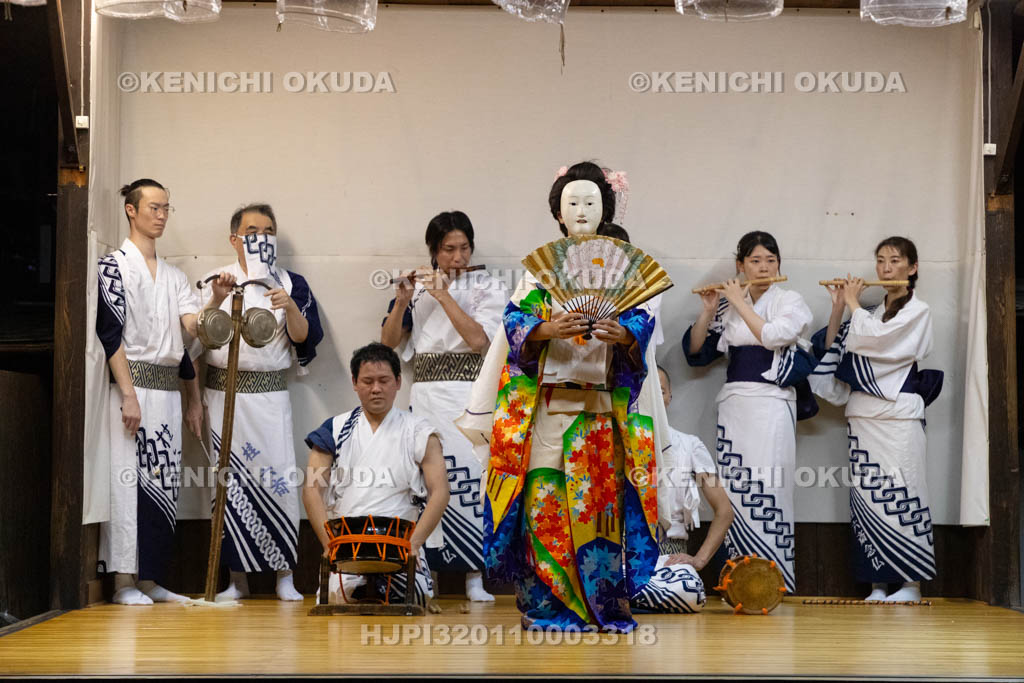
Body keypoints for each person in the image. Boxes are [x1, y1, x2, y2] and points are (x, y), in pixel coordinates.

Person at [458, 161, 669, 632]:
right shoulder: (538, 274)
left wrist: (626, 334)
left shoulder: (625, 270)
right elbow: (513, 324)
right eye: (571, 202)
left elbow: (644, 331)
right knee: (544, 503)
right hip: (549, 408)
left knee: (599, 513)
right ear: (557, 211)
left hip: (599, 413)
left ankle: (599, 606)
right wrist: (546, 328)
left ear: (605, 209)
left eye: (591, 202)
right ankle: (546, 606)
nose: (581, 210)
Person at [95, 178, 215, 605]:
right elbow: (110, 335)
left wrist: (215, 302)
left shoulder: (176, 277)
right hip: (132, 387)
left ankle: (151, 578)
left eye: (166, 208)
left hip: (165, 391)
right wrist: (127, 393)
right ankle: (123, 579)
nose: (161, 215)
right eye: (153, 207)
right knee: (127, 481)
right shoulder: (112, 267)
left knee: (163, 483)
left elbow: (190, 334)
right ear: (131, 210)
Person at [197, 203, 323, 602]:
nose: (261, 238)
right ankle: (236, 579)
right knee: (228, 486)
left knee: (280, 479)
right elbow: (196, 341)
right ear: (234, 238)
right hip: (223, 394)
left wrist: (288, 307)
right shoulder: (215, 280)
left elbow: (306, 338)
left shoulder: (292, 283)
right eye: (252, 230)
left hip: (270, 397)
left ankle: (286, 574)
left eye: (268, 231)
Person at [380, 211, 508, 602]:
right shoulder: (418, 288)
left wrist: (442, 294)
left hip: (469, 394)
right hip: (427, 394)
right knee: (426, 482)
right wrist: (402, 302)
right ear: (434, 252)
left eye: (464, 248)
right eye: (448, 249)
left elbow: (480, 343)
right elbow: (387, 346)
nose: (458, 257)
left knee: (470, 480)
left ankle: (473, 577)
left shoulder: (488, 285)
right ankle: (426, 575)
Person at [809, 237, 940, 603]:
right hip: (864, 416)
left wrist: (853, 304)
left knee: (905, 492)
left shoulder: (918, 311)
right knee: (868, 499)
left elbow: (879, 342)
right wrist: (839, 306)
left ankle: (911, 583)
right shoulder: (867, 311)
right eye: (880, 261)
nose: (886, 268)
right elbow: (835, 349)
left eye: (895, 261)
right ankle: (877, 583)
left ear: (912, 268)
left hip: (898, 416)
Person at [682, 231, 812, 594]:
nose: (764, 267)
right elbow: (696, 353)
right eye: (755, 261)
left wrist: (739, 302)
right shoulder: (726, 304)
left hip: (772, 403)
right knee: (735, 491)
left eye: (771, 260)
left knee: (771, 486)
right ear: (740, 265)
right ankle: (736, 580)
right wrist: (709, 310)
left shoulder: (791, 300)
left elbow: (773, 336)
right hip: (735, 404)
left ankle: (775, 581)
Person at [302, 343, 450, 606]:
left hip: (401, 543)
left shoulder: (420, 431)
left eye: (384, 380)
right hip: (347, 544)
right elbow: (312, 489)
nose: (376, 388)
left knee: (411, 599)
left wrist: (413, 545)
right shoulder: (333, 429)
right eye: (368, 381)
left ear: (398, 382)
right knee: (336, 600)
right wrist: (329, 545)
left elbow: (440, 492)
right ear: (355, 383)